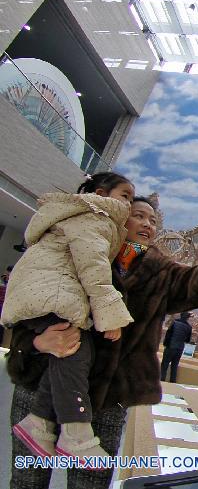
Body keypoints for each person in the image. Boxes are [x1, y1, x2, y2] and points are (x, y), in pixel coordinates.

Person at [7, 193, 198, 489]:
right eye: (139, 216)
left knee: (90, 483)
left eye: (153, 220)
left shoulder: (161, 274)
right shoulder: (68, 252)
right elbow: (23, 310)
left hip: (107, 399)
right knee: (28, 480)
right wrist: (37, 343)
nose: (147, 224)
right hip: (43, 385)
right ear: (118, 218)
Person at [1, 172, 136, 461]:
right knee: (75, 349)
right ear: (101, 194)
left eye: (151, 218)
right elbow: (94, 270)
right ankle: (74, 432)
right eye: (127, 200)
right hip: (41, 359)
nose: (139, 217)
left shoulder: (150, 269)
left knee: (76, 350)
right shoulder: (94, 221)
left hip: (103, 395)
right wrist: (110, 316)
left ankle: (40, 423)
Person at [160, 312, 193, 383]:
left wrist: (165, 344)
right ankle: (172, 382)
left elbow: (168, 335)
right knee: (175, 366)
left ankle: (161, 381)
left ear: (181, 315)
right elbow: (187, 340)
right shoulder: (189, 327)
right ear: (187, 318)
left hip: (171, 346)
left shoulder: (174, 323)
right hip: (180, 348)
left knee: (164, 364)